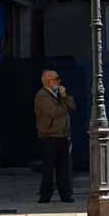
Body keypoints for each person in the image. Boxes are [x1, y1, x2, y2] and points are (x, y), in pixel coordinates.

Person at [34, 69, 76, 203]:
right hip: (49, 135)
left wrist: (64, 96)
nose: (59, 81)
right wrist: (65, 105)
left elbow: (73, 106)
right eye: (56, 79)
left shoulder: (58, 95)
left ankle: (66, 194)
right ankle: (45, 195)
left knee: (64, 167)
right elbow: (54, 112)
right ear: (48, 81)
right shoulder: (42, 96)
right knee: (49, 167)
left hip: (63, 135)